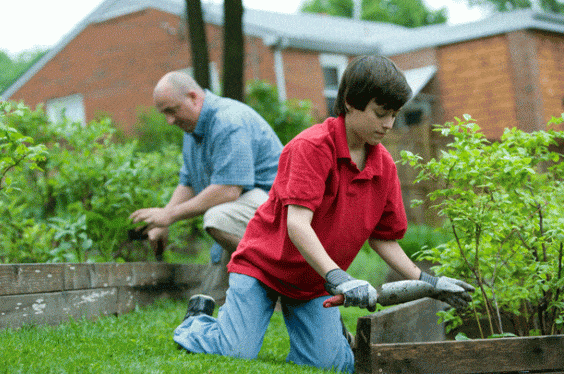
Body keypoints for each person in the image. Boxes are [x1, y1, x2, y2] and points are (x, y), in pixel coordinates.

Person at [172, 55, 475, 372]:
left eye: (394, 115)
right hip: (263, 268)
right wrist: (340, 278)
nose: (388, 124)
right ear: (350, 103)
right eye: (380, 113)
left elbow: (383, 239)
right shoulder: (312, 147)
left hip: (315, 282)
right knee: (234, 352)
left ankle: (327, 339)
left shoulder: (383, 166)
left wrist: (430, 282)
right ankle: (198, 321)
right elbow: (298, 225)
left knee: (329, 365)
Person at [130, 71, 283, 301]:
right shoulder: (192, 129)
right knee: (211, 297)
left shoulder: (228, 121)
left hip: (278, 211)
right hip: (244, 211)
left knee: (218, 218)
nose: (169, 121)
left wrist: (170, 215)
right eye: (164, 114)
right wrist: (162, 220)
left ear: (193, 97)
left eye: (172, 111)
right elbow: (188, 182)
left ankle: (283, 281)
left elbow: (228, 190)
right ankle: (252, 293)